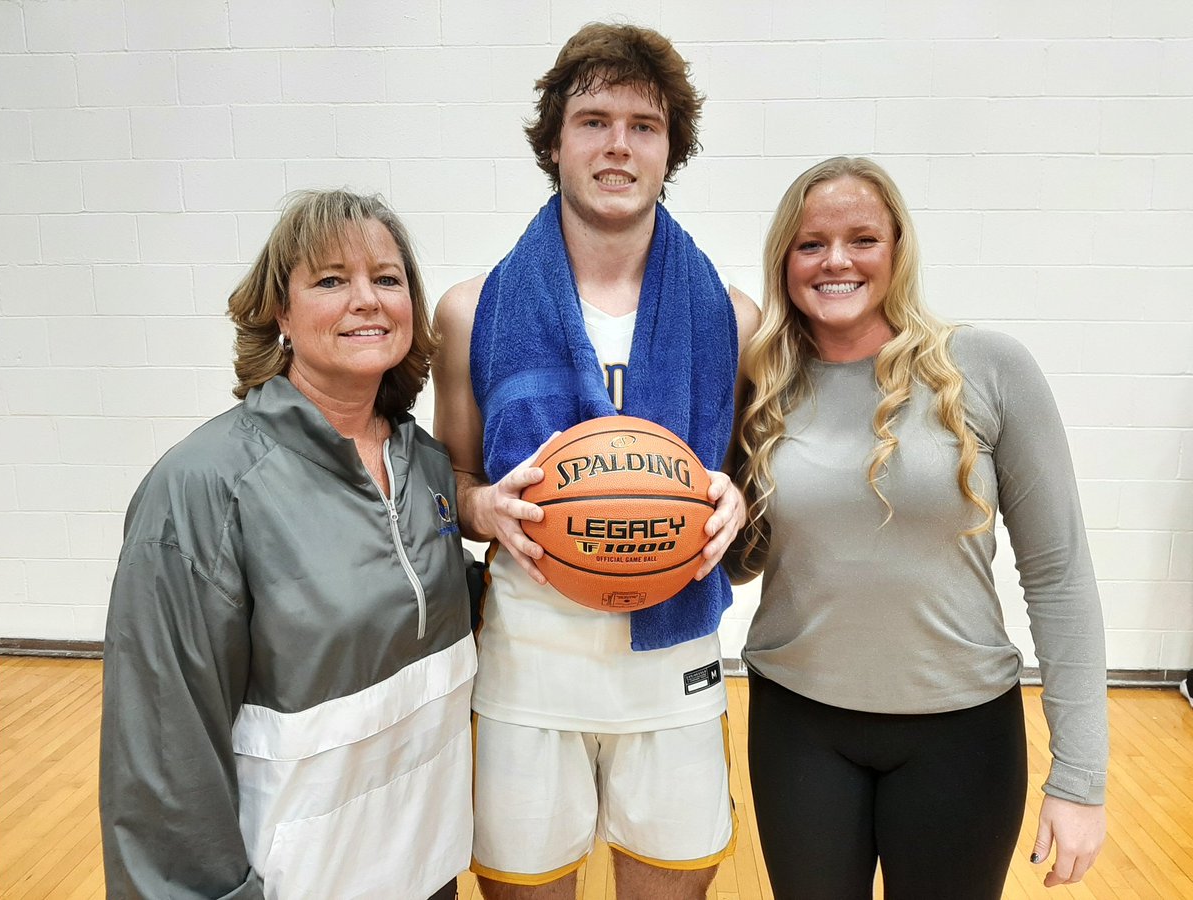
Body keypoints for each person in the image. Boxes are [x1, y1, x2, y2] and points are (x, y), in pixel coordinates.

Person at [431, 22, 760, 900]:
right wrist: (482, 508)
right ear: (554, 142)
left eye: (643, 125)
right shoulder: (472, 311)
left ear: (669, 151)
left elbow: (747, 487)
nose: (618, 144)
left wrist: (734, 496)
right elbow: (451, 490)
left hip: (674, 660)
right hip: (530, 660)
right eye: (593, 120)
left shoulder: (732, 316)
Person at [729, 156, 1109, 899]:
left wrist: (1081, 778)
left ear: (898, 249)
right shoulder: (762, 383)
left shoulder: (988, 368)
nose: (836, 260)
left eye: (862, 238)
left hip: (961, 733)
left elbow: (1059, 577)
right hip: (799, 725)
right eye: (811, 244)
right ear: (785, 260)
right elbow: (745, 560)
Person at [99, 190, 475, 900]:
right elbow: (162, 750)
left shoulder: (422, 463)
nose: (366, 299)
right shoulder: (203, 487)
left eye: (387, 279)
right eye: (331, 280)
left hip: (425, 867)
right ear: (282, 312)